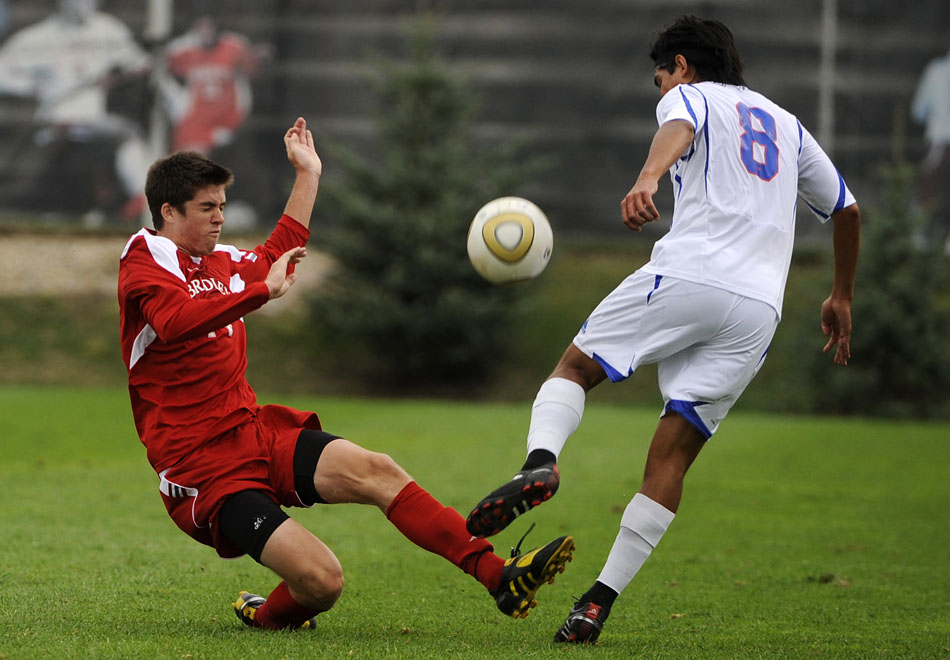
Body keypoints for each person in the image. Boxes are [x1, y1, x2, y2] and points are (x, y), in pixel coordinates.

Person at [464, 15, 861, 644]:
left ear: (680, 65)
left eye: (659, 79)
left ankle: (541, 463)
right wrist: (840, 292)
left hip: (692, 271)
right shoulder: (787, 124)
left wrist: (648, 177)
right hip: (760, 307)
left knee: (574, 368)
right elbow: (846, 207)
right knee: (673, 455)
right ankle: (596, 603)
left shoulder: (690, 93)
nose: (660, 91)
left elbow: (679, 123)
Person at [117, 117, 574, 631]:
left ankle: (499, 576)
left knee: (379, 470)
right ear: (168, 211)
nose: (220, 218)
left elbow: (277, 254)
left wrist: (308, 174)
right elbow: (174, 322)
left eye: (223, 205)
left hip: (255, 433)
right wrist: (260, 292)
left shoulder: (218, 261)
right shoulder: (143, 263)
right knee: (323, 582)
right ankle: (266, 615)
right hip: (203, 473)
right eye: (208, 208)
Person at [0, 0, 151, 221]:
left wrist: (116, 75)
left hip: (96, 123)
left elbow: (140, 63)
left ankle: (148, 205)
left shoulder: (107, 28)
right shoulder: (38, 36)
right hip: (54, 125)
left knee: (127, 136)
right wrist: (33, 86)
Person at [163, 14, 271, 154]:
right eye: (201, 27)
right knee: (187, 162)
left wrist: (258, 57)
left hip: (226, 117)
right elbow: (161, 66)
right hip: (195, 117)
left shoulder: (234, 46)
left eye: (210, 27)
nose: (206, 32)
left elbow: (254, 68)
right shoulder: (183, 50)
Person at [910, 46, 950, 251]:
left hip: (939, 139)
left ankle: (920, 238)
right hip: (941, 140)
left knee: (928, 188)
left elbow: (918, 111)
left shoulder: (935, 71)